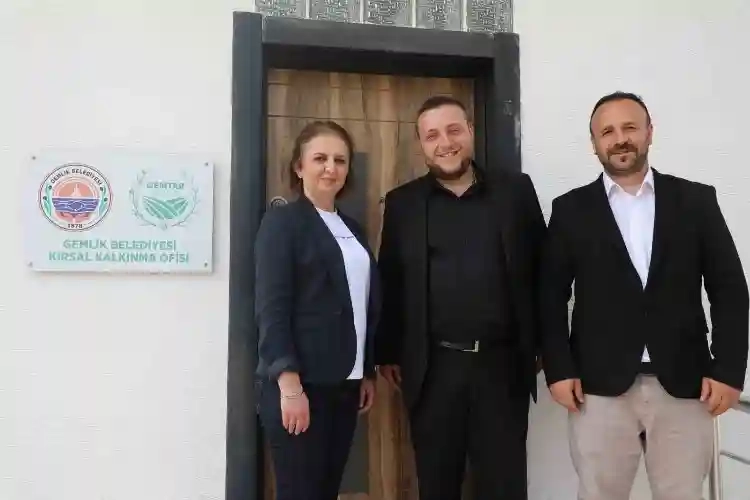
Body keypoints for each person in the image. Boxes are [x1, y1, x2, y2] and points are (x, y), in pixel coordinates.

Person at [539, 91, 749, 500]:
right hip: (598, 388)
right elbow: (549, 297)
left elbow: (729, 289)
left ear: (650, 132)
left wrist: (728, 370)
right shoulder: (570, 210)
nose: (620, 139)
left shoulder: (696, 201)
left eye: (630, 127)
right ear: (594, 143)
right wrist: (558, 369)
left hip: (685, 385)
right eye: (607, 132)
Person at [376, 95, 546, 500]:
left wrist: (545, 347)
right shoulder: (402, 203)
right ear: (421, 144)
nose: (445, 142)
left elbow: (544, 272)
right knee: (437, 485)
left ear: (470, 131)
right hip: (432, 369)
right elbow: (391, 280)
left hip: (502, 367)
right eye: (432, 135)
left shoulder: (515, 192)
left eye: (453, 130)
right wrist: (387, 352)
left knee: (504, 486)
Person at [254, 120, 381, 500]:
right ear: (299, 166)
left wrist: (366, 370)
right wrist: (289, 386)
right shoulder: (283, 224)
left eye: (340, 160)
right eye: (320, 158)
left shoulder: (353, 229)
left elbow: (359, 302)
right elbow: (272, 309)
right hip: (301, 386)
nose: (331, 168)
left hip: (344, 386)